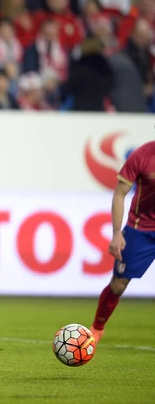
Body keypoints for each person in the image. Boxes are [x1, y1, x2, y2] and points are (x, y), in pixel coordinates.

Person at [90, 141, 155, 344]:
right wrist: (117, 233)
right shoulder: (142, 155)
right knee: (118, 284)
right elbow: (120, 193)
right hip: (141, 229)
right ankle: (97, 329)